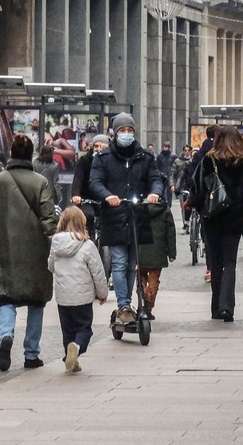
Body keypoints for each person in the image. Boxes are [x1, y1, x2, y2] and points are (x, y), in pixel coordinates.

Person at [0, 134, 58, 371]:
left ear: (11, 153)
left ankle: (6, 335)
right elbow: (48, 219)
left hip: (4, 250)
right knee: (36, 301)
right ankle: (31, 353)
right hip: (35, 252)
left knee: (6, 298)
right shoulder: (40, 182)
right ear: (30, 155)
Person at [88, 113, 162, 322]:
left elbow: (156, 179)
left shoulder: (145, 157)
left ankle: (127, 303)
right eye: (122, 131)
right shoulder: (104, 158)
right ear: (115, 133)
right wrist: (107, 196)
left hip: (137, 216)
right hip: (115, 217)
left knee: (132, 265)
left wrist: (154, 193)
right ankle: (123, 305)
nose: (126, 134)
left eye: (130, 130)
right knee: (120, 262)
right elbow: (95, 182)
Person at [188, 126, 243, 323]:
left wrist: (193, 204)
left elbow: (198, 189)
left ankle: (216, 308)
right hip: (235, 220)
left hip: (213, 219)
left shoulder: (209, 160)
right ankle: (227, 306)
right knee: (230, 262)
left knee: (216, 263)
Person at [47, 206, 107, 374]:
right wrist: (102, 293)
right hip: (83, 298)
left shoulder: (56, 244)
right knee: (84, 329)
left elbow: (50, 266)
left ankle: (71, 357)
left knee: (68, 331)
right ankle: (77, 347)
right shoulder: (87, 245)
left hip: (63, 298)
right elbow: (98, 272)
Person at [189, 125, 218, 282]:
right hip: (221, 199)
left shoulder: (199, 154)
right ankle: (219, 267)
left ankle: (210, 269)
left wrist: (192, 195)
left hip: (204, 200)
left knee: (207, 235)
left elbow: (192, 176)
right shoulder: (222, 152)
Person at [136, 202, 176, 320]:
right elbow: (170, 233)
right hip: (158, 251)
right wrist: (172, 253)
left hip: (140, 251)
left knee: (140, 277)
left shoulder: (138, 208)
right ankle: (148, 306)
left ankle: (143, 296)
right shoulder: (164, 209)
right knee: (154, 281)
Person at [72, 135, 109, 238]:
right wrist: (76, 194)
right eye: (96, 146)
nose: (99, 149)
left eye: (103, 147)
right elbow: (78, 178)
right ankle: (87, 239)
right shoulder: (84, 160)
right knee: (87, 216)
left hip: (107, 198)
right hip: (87, 199)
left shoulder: (111, 161)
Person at [171, 144, 193, 232]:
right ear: (183, 151)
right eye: (185, 150)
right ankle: (186, 224)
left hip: (191, 186)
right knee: (184, 206)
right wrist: (173, 185)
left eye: (188, 150)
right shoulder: (177, 161)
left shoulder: (194, 161)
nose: (187, 152)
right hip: (181, 187)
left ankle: (191, 223)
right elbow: (172, 174)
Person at [157, 142, 177, 206]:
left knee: (169, 193)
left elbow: (175, 166)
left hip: (170, 176)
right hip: (162, 176)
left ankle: (169, 205)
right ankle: (161, 204)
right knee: (161, 191)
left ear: (169, 147)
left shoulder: (173, 156)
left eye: (166, 147)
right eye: (164, 147)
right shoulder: (160, 156)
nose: (165, 148)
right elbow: (157, 166)